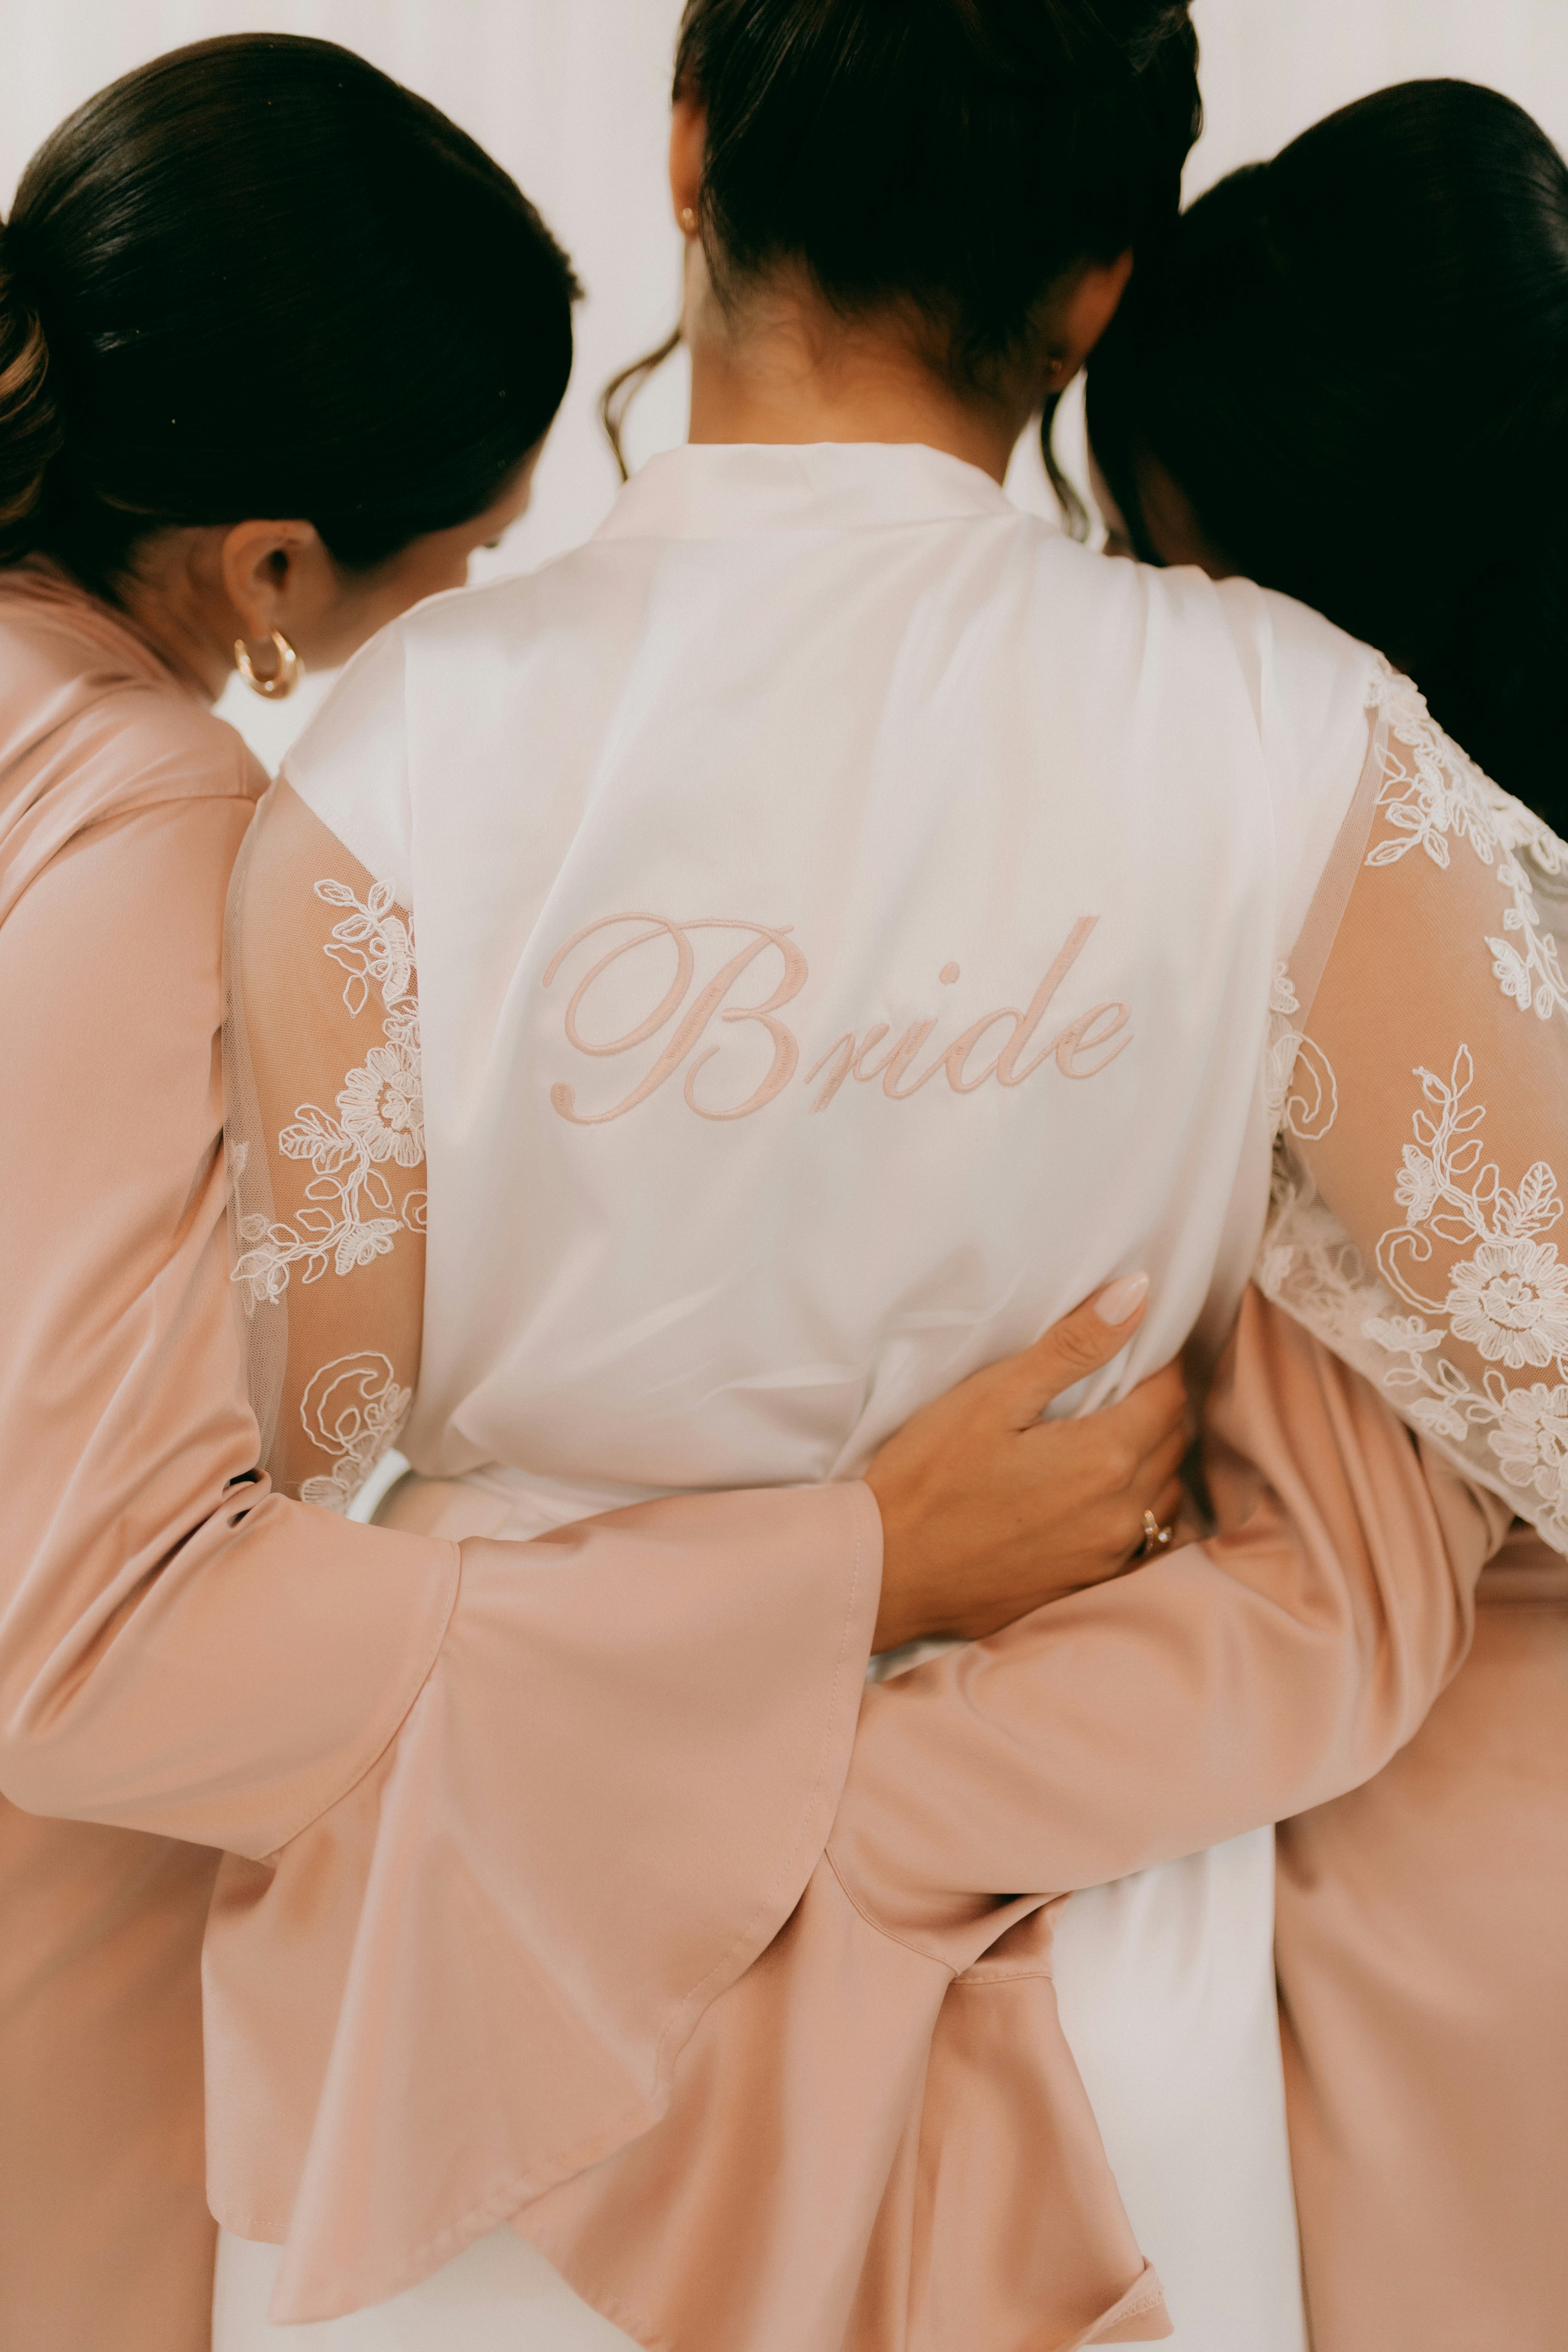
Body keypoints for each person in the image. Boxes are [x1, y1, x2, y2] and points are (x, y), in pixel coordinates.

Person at [217, 5, 1561, 2347]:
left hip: (486, 1996)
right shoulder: (1295, 739)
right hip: (1084, 2008)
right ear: (1103, 285)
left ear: (687, 150)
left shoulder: (388, 759)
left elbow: (260, 1520)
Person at [0, 34, 1188, 2352]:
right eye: (464, 565)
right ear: (274, 569)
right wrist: (849, 1564)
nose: (478, 612)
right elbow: (94, 1648)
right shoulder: (145, 827)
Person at [1084, 77, 1568, 2350]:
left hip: (1445, 1874)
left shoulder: (1345, 944)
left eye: (1160, 555)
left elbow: (1301, 1592)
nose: (1132, 615)